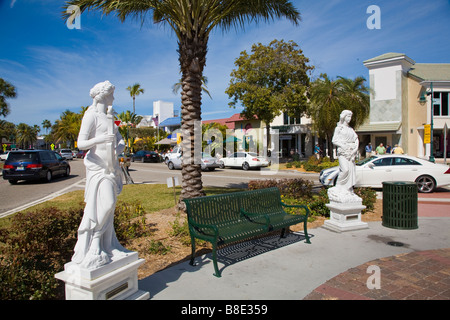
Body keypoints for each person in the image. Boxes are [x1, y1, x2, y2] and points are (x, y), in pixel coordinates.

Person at [72, 80, 128, 269]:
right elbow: (81, 144)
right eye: (112, 93)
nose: (114, 97)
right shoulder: (91, 116)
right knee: (106, 204)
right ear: (104, 95)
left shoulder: (110, 118)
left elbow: (121, 142)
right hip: (98, 168)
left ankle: (109, 245)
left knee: (109, 208)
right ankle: (95, 242)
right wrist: (101, 139)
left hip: (111, 167)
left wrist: (118, 148)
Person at [328, 110, 360, 202]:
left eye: (350, 117)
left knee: (350, 171)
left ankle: (347, 189)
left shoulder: (350, 129)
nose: (349, 119)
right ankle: (338, 186)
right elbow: (334, 140)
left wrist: (354, 149)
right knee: (345, 169)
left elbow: (356, 139)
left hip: (351, 153)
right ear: (344, 117)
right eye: (348, 116)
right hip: (343, 152)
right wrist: (343, 145)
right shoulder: (339, 128)